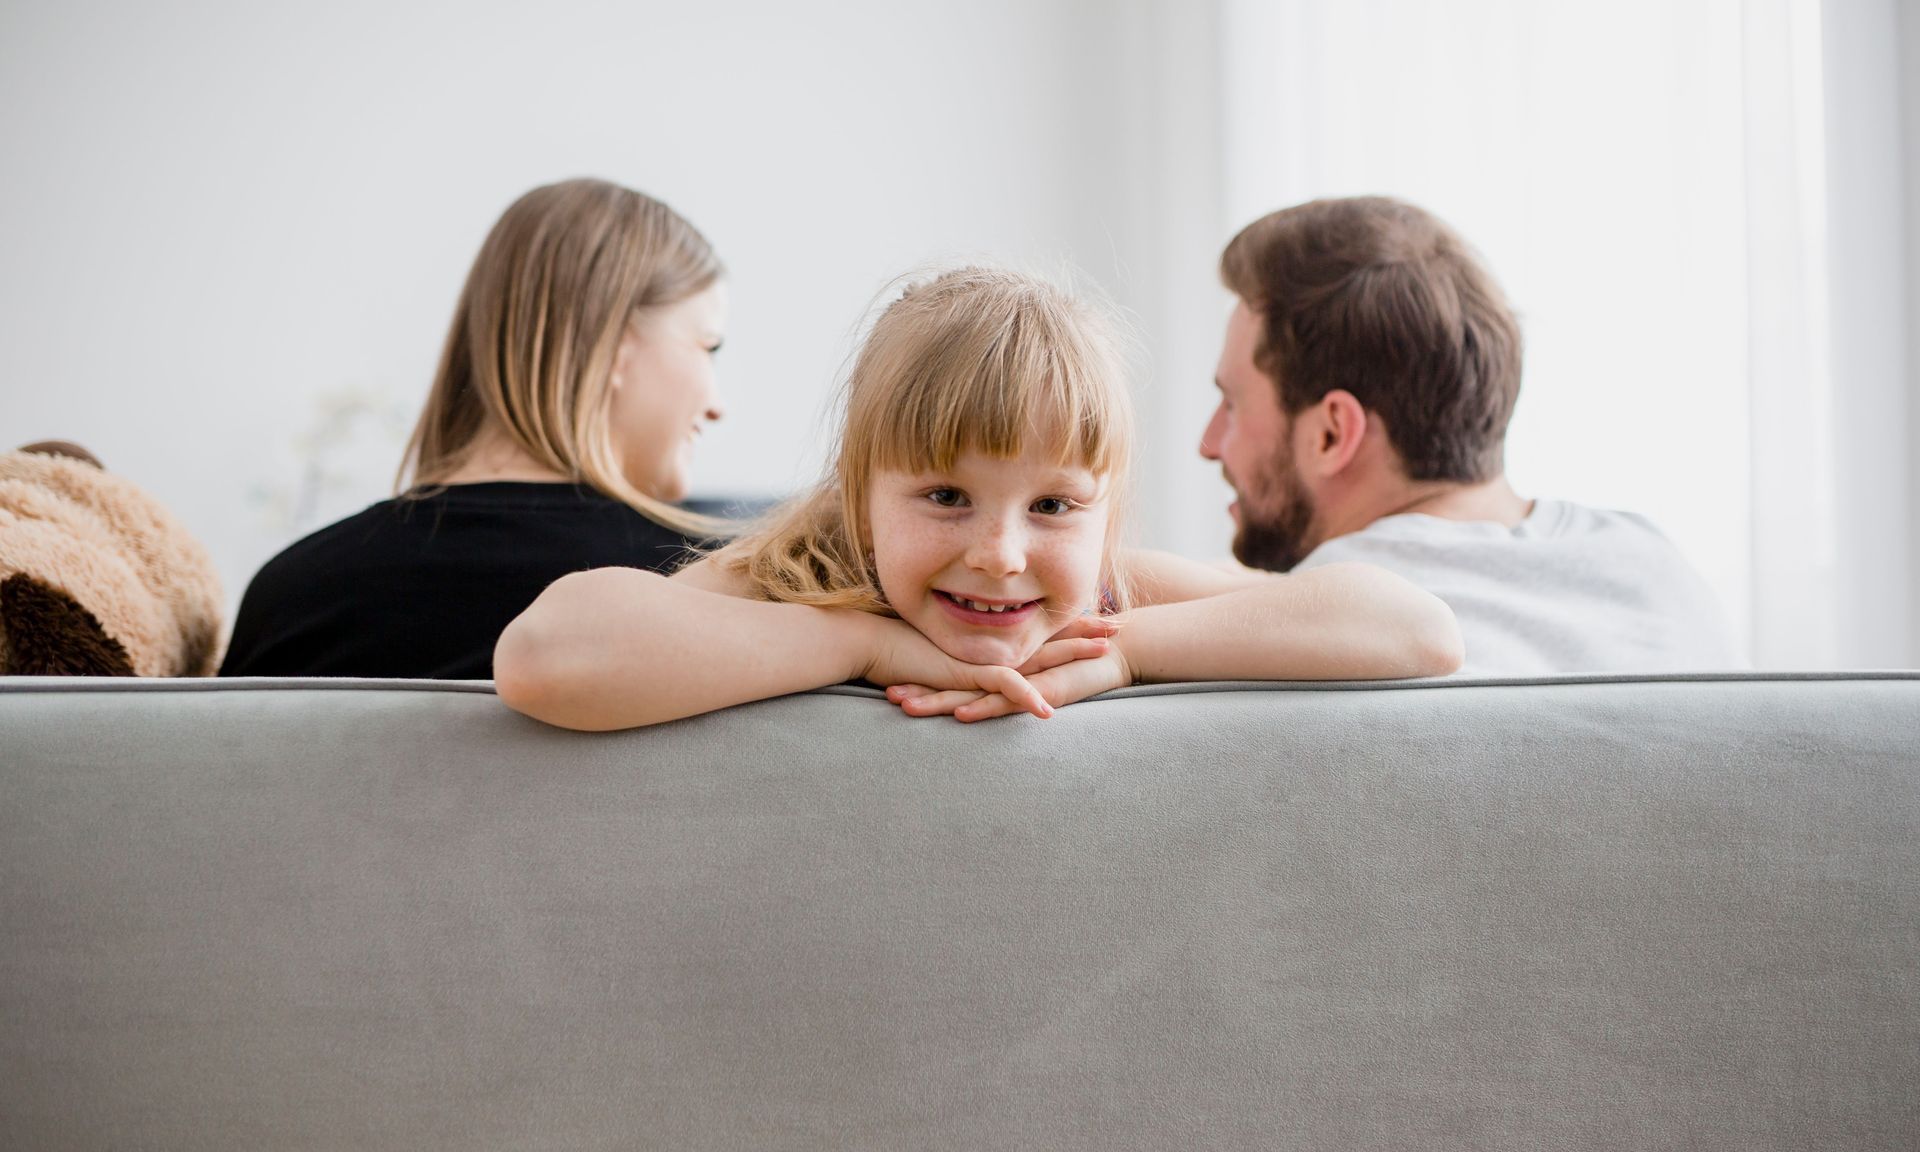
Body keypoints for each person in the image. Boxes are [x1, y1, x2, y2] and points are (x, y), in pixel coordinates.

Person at [494, 267, 1462, 732]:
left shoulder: (1107, 605)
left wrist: (1126, 652)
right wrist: (863, 643)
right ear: (859, 493)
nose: (1000, 552)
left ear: (1107, 515)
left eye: (1053, 506)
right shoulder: (810, 571)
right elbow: (545, 652)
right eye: (947, 493)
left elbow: (1416, 626)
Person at [1202, 196, 1738, 675]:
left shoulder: (1313, 638)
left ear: (1331, 433)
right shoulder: (1661, 573)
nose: (1207, 442)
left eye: (1232, 403)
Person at [220, 178, 729, 679]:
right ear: (615, 343)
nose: (717, 407)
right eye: (707, 346)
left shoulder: (293, 593)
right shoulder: (716, 591)